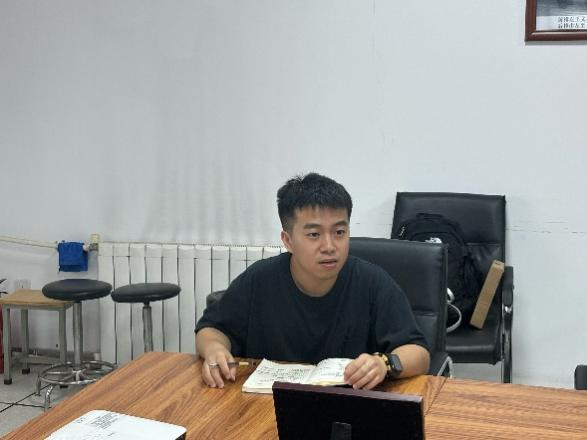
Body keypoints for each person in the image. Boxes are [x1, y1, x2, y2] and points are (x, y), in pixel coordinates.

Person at [195, 173, 430, 390]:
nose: (329, 246)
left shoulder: (373, 283)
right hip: (266, 405)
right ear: (288, 241)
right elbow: (211, 329)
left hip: (348, 406)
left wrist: (384, 364)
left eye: (339, 232)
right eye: (314, 234)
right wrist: (215, 349)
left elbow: (419, 354)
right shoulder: (259, 279)